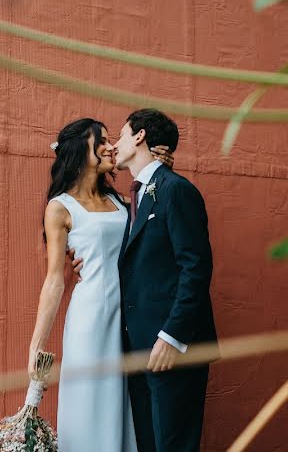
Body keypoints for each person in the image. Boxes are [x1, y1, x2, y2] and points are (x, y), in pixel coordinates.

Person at [26, 117, 171, 452]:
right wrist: (36, 345)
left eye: (110, 139)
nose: (110, 147)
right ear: (81, 149)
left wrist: (161, 167)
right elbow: (54, 281)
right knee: (91, 406)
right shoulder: (60, 207)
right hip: (90, 319)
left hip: (128, 320)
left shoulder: (123, 201)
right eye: (101, 141)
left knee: (125, 409)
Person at [87, 108, 217, 452]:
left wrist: (172, 337)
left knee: (173, 444)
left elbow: (196, 268)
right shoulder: (133, 198)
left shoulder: (176, 190)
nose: (115, 144)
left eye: (121, 134)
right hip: (138, 346)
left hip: (172, 347)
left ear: (140, 136)